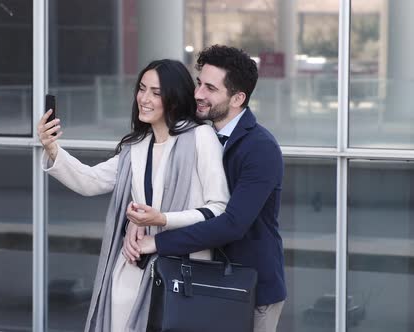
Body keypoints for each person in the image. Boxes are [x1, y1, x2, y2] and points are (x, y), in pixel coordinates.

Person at [37, 59, 229, 332]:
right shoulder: (135, 147)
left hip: (183, 270)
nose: (144, 98)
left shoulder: (200, 137)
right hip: (133, 265)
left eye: (156, 92)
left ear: (174, 99)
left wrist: (162, 219)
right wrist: (53, 148)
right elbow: (90, 182)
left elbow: (218, 208)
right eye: (142, 88)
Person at [127, 45, 286, 332]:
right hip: (198, 281)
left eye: (210, 88)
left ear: (237, 98)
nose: (198, 94)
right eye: (199, 83)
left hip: (249, 289)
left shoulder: (261, 148)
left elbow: (232, 224)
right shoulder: (193, 134)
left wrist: (157, 243)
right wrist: (135, 221)